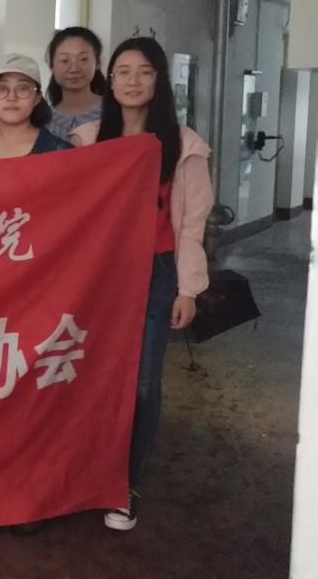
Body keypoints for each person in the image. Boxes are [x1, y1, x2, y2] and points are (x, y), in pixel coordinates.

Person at [70, 37, 213, 532]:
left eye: (144, 71)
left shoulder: (184, 145)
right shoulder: (88, 141)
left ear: (160, 80)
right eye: (123, 72)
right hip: (97, 276)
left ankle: (123, 484)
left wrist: (188, 289)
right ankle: (84, 475)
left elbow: (192, 224)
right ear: (109, 81)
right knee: (88, 375)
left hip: (155, 273)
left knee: (144, 382)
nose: (133, 81)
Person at [0, 54, 72, 161]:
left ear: (37, 97)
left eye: (23, 88)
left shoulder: (62, 152)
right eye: (1, 88)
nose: (12, 97)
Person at [45, 26, 106, 140]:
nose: (74, 69)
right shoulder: (43, 119)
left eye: (83, 59)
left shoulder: (113, 110)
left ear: (97, 63)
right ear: (51, 66)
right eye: (65, 60)